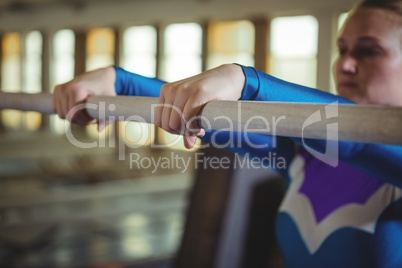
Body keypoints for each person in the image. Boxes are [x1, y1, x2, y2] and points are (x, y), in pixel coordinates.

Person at [53, 0, 402, 266]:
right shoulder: (303, 156)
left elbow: (355, 137)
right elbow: (198, 116)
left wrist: (245, 81)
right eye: (342, 49)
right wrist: (118, 81)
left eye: (369, 51)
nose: (344, 64)